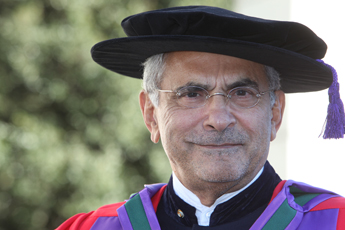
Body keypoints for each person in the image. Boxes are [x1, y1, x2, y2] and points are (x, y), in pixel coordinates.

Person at [56, 6, 345, 230]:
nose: (218, 119)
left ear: (274, 113)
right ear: (151, 115)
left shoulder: (334, 221)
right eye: (191, 94)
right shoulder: (94, 227)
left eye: (242, 93)